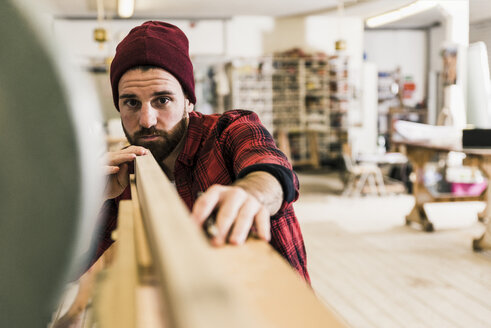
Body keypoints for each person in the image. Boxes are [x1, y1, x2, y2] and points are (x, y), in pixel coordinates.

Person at [96, 21, 309, 282]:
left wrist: (251, 193)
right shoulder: (127, 170)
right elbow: (70, 265)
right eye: (131, 102)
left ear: (188, 100)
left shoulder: (227, 131)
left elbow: (270, 166)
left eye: (162, 100)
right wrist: (91, 199)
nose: (146, 120)